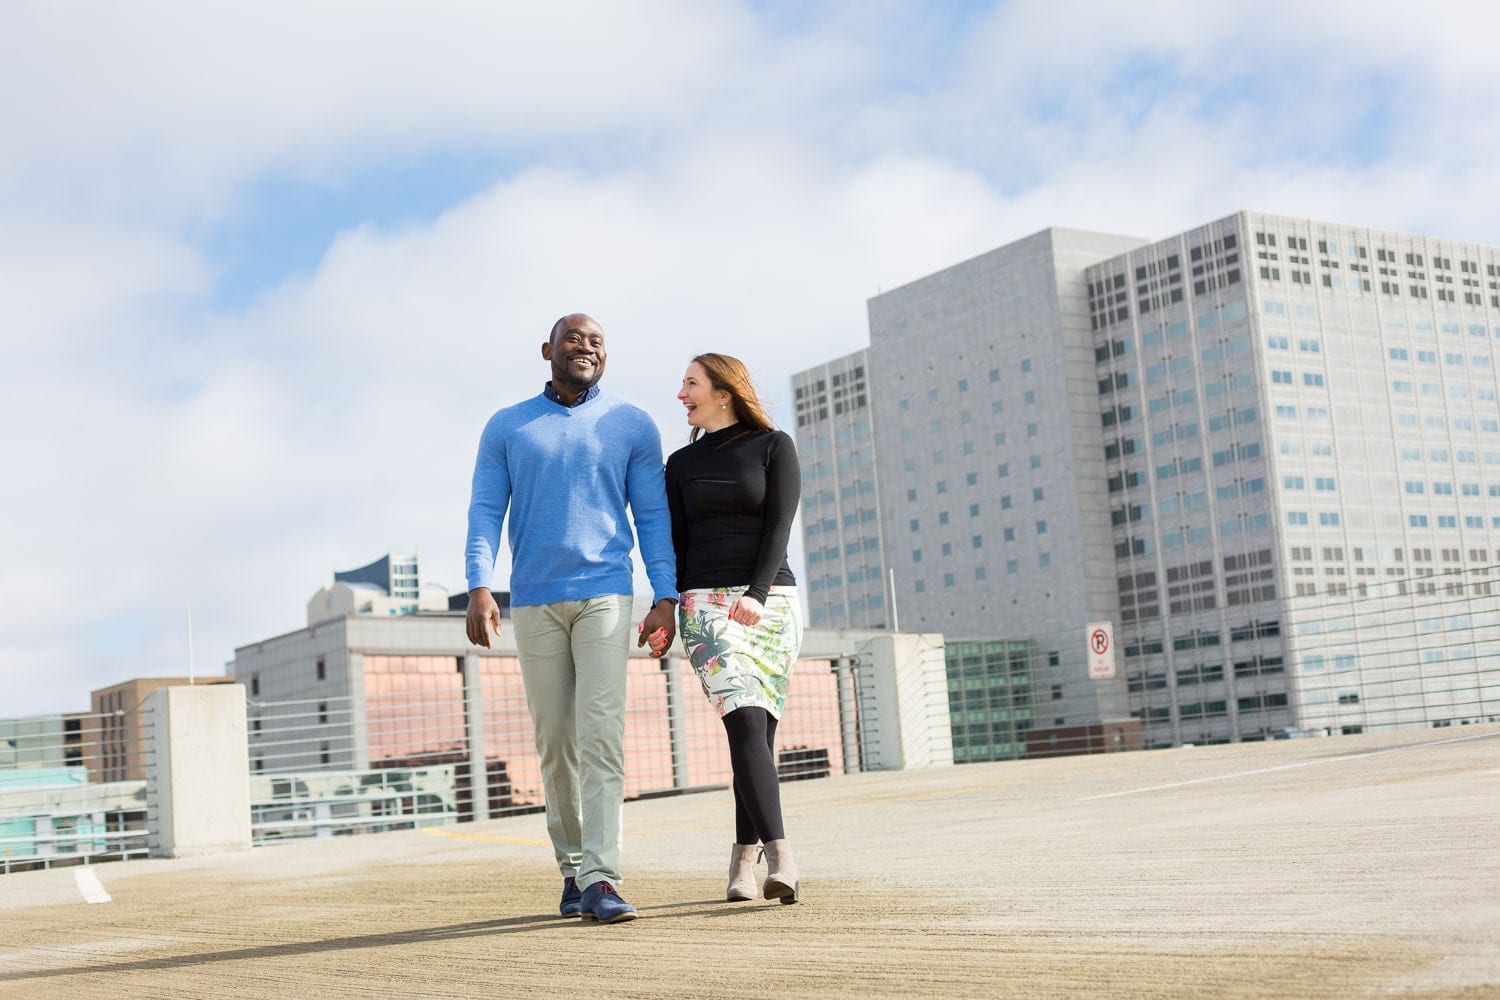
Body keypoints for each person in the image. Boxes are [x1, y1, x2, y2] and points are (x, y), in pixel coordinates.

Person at [465, 312, 677, 925]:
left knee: (601, 734)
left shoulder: (631, 425)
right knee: (556, 740)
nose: (586, 347)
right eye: (574, 339)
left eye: (597, 341)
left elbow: (653, 516)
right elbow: (485, 509)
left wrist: (664, 593)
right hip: (532, 599)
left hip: (607, 594)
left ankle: (602, 877)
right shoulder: (507, 426)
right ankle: (572, 869)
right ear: (547, 350)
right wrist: (480, 584)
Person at [660, 353, 804, 904]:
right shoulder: (679, 464)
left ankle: (744, 863)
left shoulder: (774, 447)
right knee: (743, 724)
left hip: (770, 604)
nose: (680, 394)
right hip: (706, 606)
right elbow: (674, 542)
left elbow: (779, 526)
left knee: (759, 736)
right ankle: (783, 854)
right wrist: (667, 605)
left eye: (690, 383)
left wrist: (758, 594)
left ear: (723, 392)